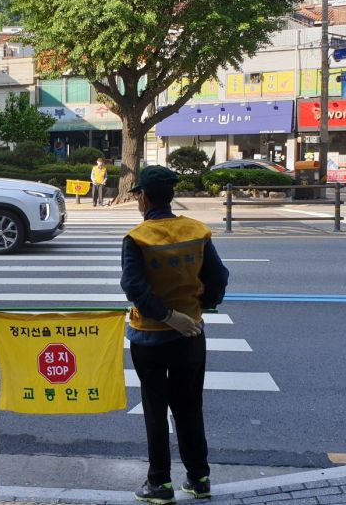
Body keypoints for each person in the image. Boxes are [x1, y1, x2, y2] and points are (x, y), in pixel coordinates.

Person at [120, 165, 229, 504]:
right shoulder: (197, 231)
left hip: (149, 338)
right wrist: (199, 308)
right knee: (189, 407)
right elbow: (219, 277)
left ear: (145, 197)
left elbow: (133, 287)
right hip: (190, 336)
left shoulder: (137, 238)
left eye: (138, 193)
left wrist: (167, 316)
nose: (138, 199)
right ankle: (199, 479)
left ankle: (160, 484)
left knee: (155, 409)